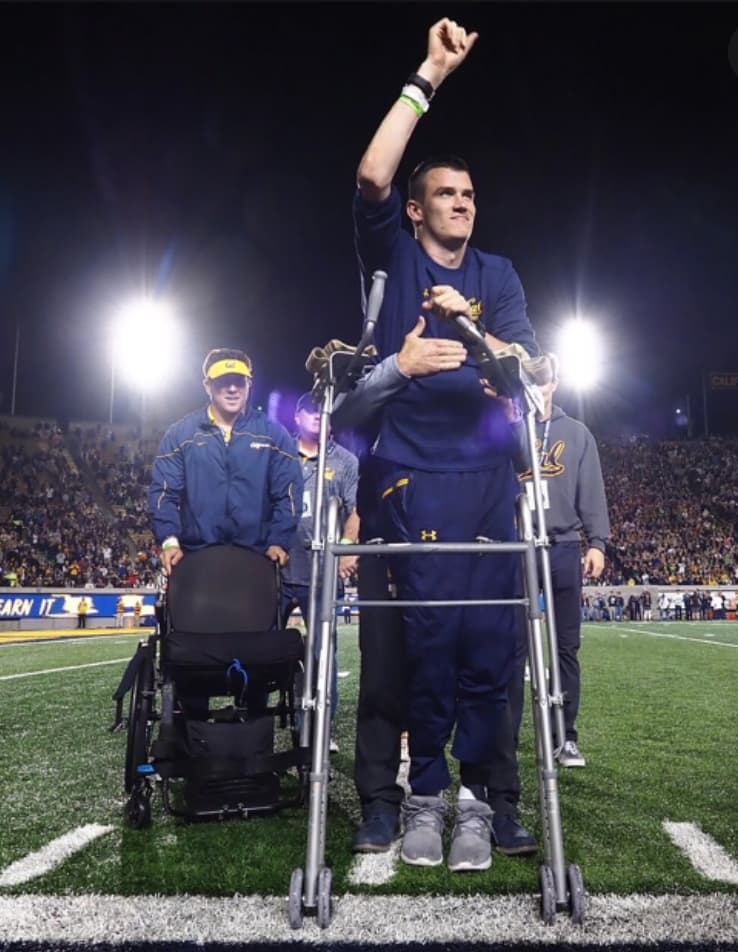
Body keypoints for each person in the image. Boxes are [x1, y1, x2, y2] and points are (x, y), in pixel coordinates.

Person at [352, 16, 539, 871]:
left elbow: (524, 375)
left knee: (487, 647)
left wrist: (478, 335)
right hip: (409, 479)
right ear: (420, 210)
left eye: (471, 193)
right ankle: (423, 792)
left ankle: (480, 799)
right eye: (447, 194)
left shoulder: (496, 278)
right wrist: (426, 75)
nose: (462, 203)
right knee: (424, 642)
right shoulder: (394, 255)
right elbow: (371, 173)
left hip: (487, 480)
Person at [333, 325, 538, 859]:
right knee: (386, 669)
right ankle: (383, 800)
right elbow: (346, 423)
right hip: (394, 525)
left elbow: (525, 454)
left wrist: (504, 383)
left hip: (480, 520)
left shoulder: (493, 338)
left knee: (493, 667)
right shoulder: (398, 326)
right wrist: (398, 366)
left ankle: (496, 798)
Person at [509, 352, 610, 768]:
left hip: (563, 546)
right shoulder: (510, 430)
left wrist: (597, 542)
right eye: (530, 384)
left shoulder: (577, 433)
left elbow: (592, 490)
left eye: (544, 382)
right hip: (516, 550)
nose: (538, 390)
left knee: (565, 648)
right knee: (511, 648)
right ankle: (506, 737)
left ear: (555, 384)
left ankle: (566, 737)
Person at [149, 348, 302, 576]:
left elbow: (288, 494)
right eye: (223, 381)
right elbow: (164, 493)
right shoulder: (181, 435)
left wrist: (279, 541)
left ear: (250, 384)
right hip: (196, 557)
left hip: (256, 558)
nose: (232, 389)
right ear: (207, 386)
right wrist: (169, 541)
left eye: (239, 382)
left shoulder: (274, 435)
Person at [279, 391, 359, 743]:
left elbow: (356, 510)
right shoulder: (279, 456)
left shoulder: (346, 461)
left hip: (321, 572)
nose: (317, 417)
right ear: (297, 418)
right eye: (310, 412)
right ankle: (258, 724)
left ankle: (319, 729)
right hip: (278, 570)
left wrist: (349, 548)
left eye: (323, 412)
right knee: (263, 649)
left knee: (323, 655)